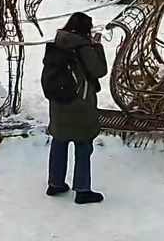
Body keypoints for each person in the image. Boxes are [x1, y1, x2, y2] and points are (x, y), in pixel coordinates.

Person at [40, 12, 108, 204]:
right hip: (79, 102)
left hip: (58, 102)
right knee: (83, 144)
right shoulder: (82, 46)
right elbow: (99, 71)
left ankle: (55, 183)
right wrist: (97, 47)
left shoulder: (58, 42)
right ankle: (83, 190)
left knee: (59, 142)